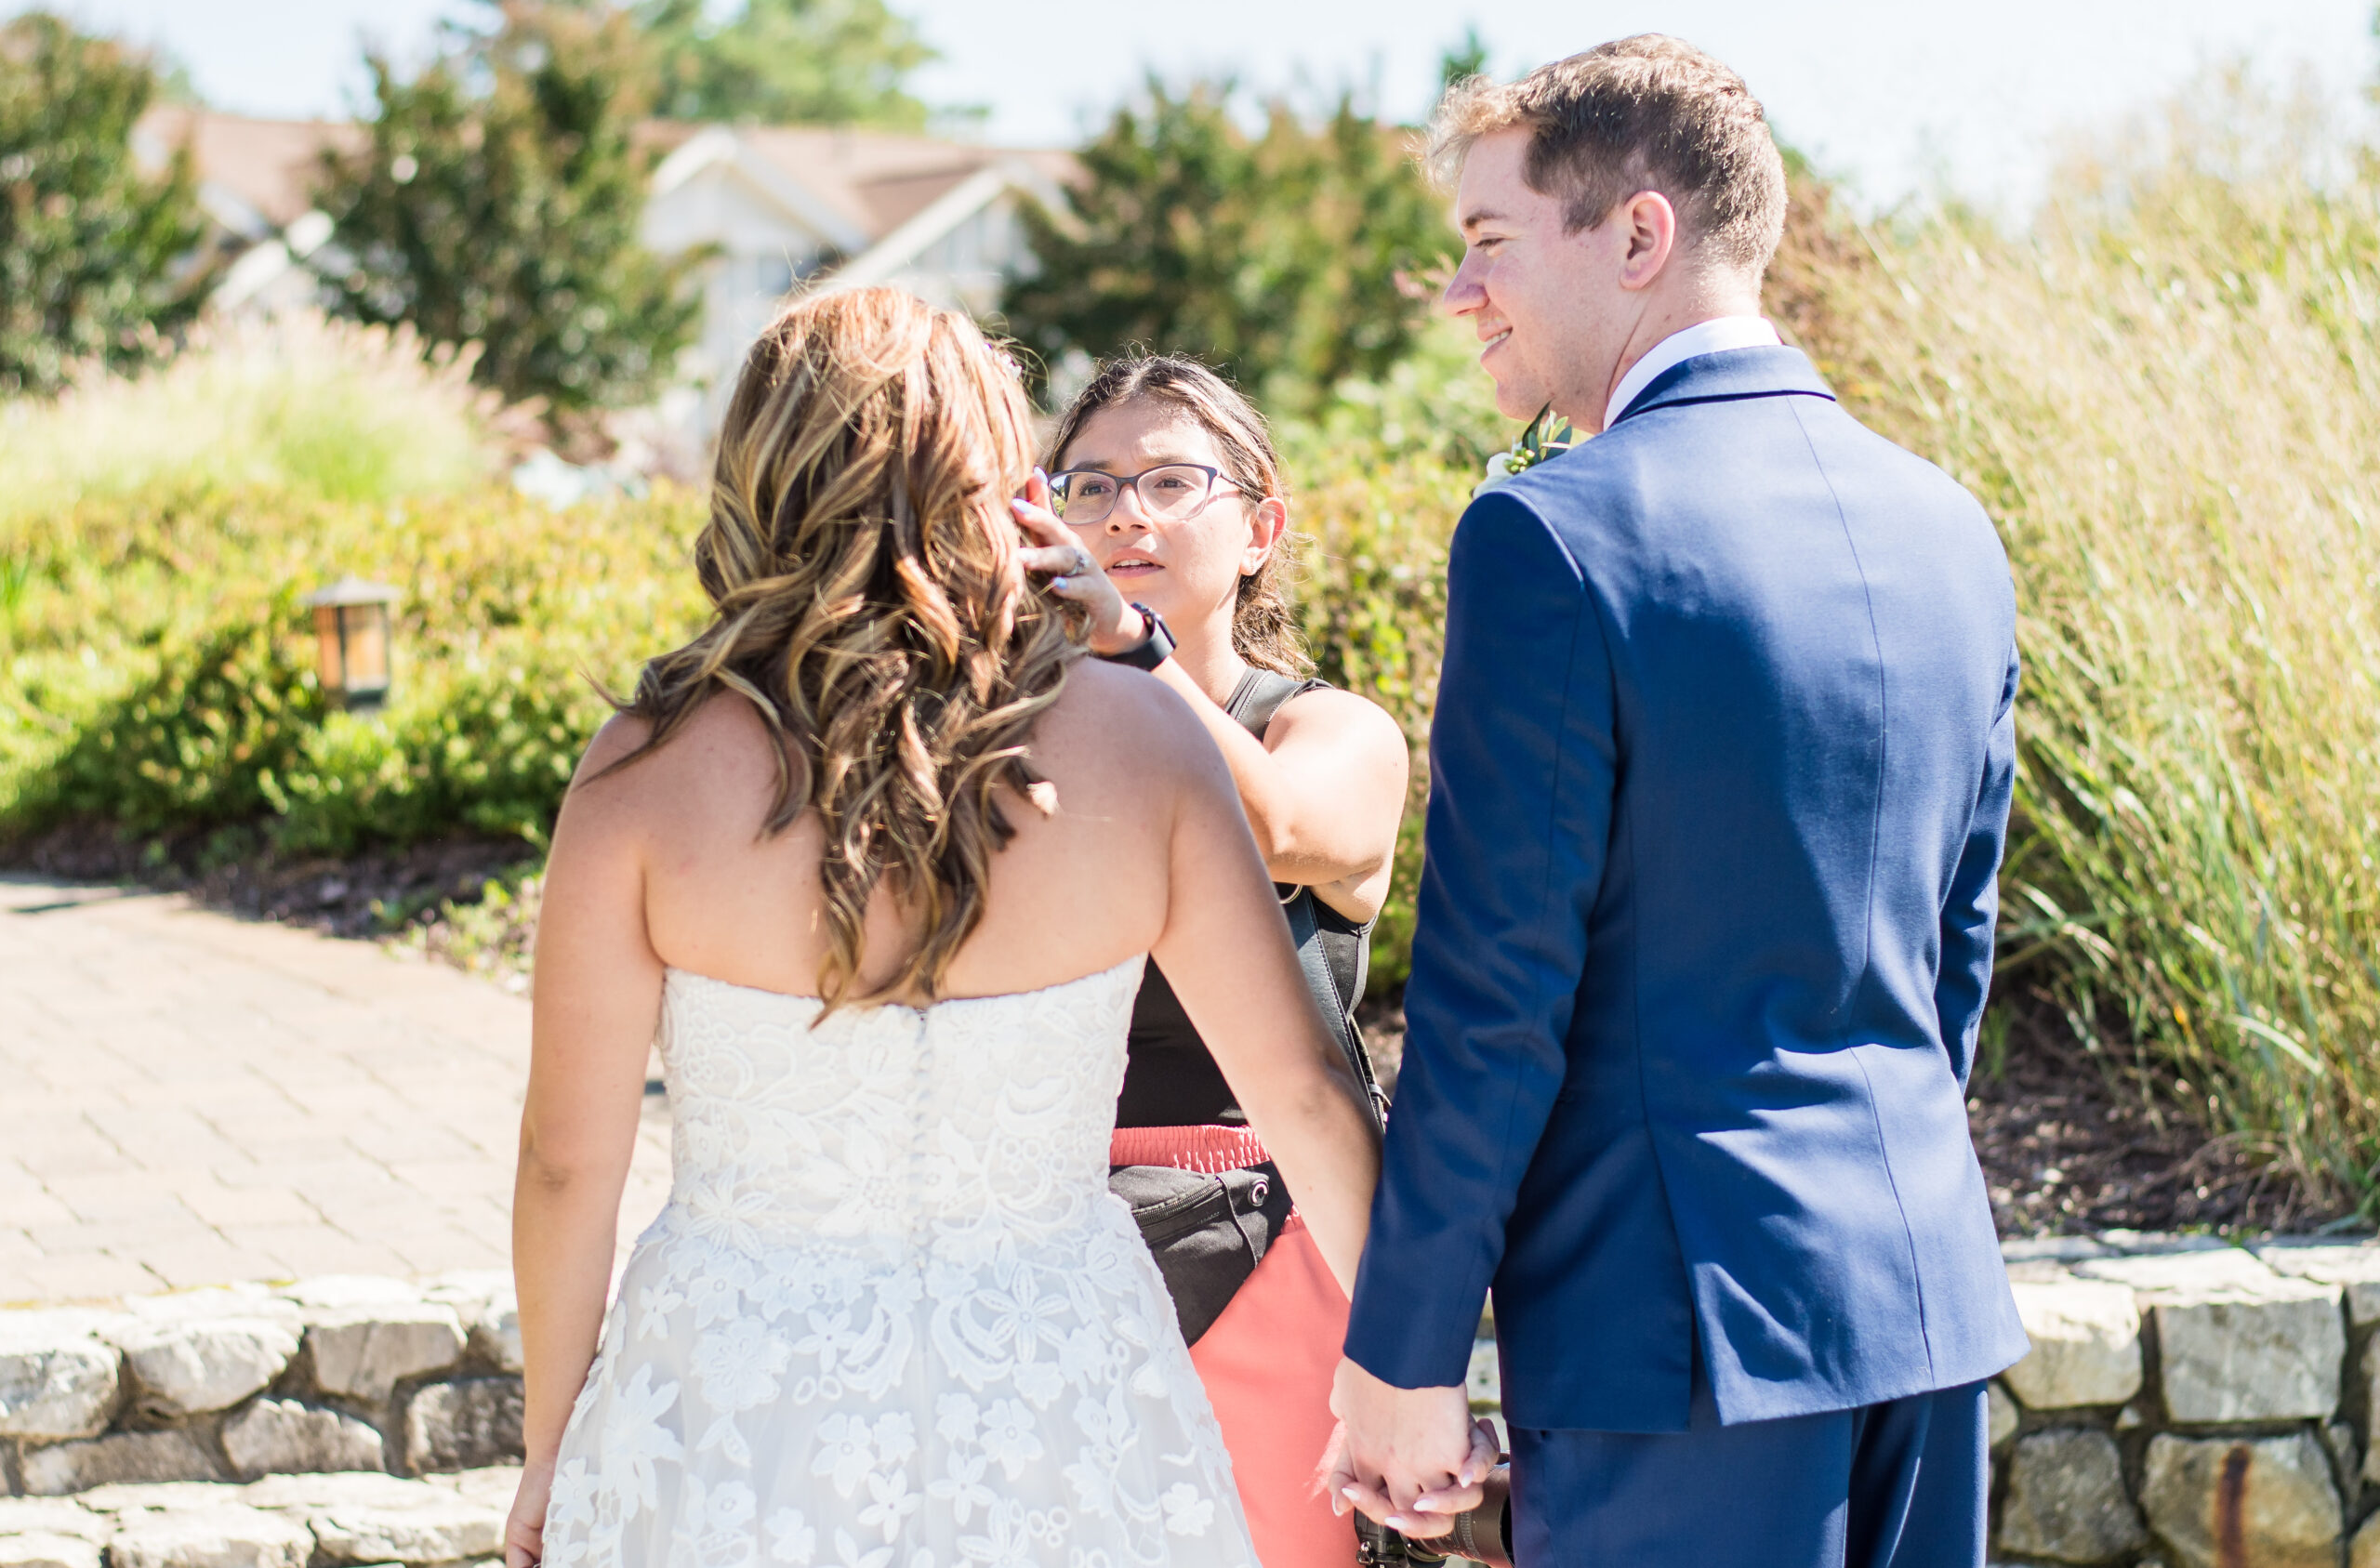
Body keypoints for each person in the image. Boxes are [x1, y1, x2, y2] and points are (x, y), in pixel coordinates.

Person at [499, 287, 1383, 1568]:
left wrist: (550, 1445)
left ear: (758, 471)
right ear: (998, 478)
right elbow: (1305, 1098)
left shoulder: (644, 767)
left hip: (739, 1401)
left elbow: (566, 1163)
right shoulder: (1142, 741)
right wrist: (1412, 1384)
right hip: (1067, 1401)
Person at [1329, 36, 2029, 1568]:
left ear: (1638, 235)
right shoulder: (1950, 529)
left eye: (1491, 243)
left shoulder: (1551, 537)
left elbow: (1496, 1000)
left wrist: (1405, 1359)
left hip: (1679, 1350)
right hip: (1917, 1314)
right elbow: (1946, 967)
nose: (1460, 296)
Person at [1011, 356, 1411, 1568]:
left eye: (1173, 480)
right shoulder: (1005, 742)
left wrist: (1132, 649)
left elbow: (1285, 831)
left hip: (1266, 1246)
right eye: (1091, 484)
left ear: (1260, 528)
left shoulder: (1330, 731)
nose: (1127, 512)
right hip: (1029, 1250)